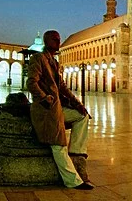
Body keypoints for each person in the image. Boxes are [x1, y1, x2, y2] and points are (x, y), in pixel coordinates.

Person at [27, 30, 94, 190]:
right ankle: (73, 181)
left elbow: (62, 87)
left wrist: (78, 104)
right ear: (46, 41)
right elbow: (31, 83)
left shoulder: (55, 63)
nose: (58, 42)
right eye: (55, 40)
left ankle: (77, 154)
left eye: (59, 39)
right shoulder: (38, 58)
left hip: (57, 108)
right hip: (46, 111)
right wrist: (44, 97)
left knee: (82, 116)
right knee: (58, 144)